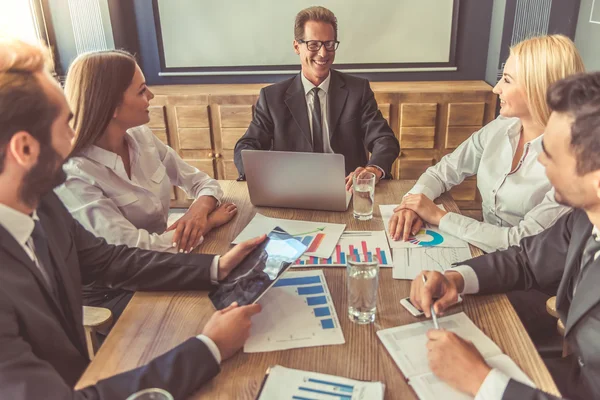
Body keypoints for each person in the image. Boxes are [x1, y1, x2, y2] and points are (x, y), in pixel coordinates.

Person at [0, 37, 265, 399]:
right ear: (25, 149)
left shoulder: (42, 206)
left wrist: (216, 266)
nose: (73, 136)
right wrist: (209, 348)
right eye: (66, 123)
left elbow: (111, 259)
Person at [408, 71, 600, 399]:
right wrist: (456, 278)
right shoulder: (584, 218)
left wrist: (483, 382)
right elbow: (526, 259)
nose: (539, 160)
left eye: (550, 155)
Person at [55, 50, 238, 319]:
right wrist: (208, 225)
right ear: (112, 106)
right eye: (141, 91)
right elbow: (135, 252)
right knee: (204, 314)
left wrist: (198, 211)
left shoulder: (141, 137)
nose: (151, 96)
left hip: (164, 262)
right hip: (113, 291)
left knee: (234, 292)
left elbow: (203, 182)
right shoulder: (76, 175)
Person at [389, 34, 584, 253]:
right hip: (482, 250)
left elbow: (519, 241)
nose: (496, 88)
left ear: (539, 89)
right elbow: (443, 172)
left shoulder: (575, 164)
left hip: (532, 274)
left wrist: (439, 216)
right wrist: (413, 205)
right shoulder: (502, 126)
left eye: (507, 80)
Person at [233, 6, 400, 188]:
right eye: (313, 44)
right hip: (292, 188)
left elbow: (384, 139)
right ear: (297, 46)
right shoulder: (271, 97)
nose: (323, 53)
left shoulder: (357, 90)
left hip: (348, 187)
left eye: (329, 44)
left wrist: (373, 169)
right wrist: (267, 177)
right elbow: (246, 146)